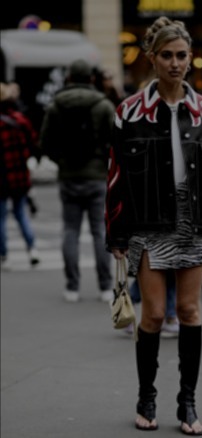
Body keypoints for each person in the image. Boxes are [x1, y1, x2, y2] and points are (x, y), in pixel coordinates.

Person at [105, 17, 202, 435]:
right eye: (167, 56)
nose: (175, 63)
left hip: (192, 224)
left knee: (190, 311)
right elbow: (116, 175)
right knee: (153, 314)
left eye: (182, 56)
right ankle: (147, 395)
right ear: (152, 58)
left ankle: (187, 401)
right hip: (148, 224)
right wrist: (116, 234)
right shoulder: (129, 112)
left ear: (190, 59)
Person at [40, 59, 115, 302]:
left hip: (69, 175)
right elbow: (116, 141)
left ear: (69, 78)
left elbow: (45, 143)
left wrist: (61, 160)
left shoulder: (56, 105)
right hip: (96, 175)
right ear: (91, 79)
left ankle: (72, 286)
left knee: (70, 230)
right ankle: (105, 286)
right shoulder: (103, 105)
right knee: (99, 231)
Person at [0, 82, 39, 267]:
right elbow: (33, 144)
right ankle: (32, 248)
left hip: (1, 178)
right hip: (19, 176)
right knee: (21, 214)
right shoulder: (19, 119)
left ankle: (3, 255)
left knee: (0, 218)